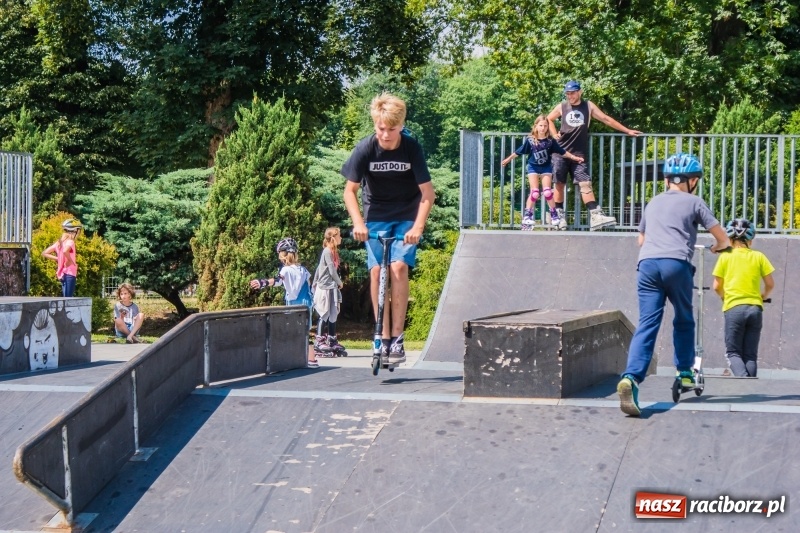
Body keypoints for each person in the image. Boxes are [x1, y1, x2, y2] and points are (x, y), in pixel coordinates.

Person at [617, 153, 730, 417]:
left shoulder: (653, 202)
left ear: (667, 179)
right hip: (675, 264)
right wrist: (718, 247)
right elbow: (722, 238)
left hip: (646, 265)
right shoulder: (694, 201)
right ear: (691, 181)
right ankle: (686, 372)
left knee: (647, 323)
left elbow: (641, 240)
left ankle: (631, 378)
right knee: (683, 318)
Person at [342, 92, 435, 364]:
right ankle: (380, 336)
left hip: (407, 214)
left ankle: (397, 338)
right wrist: (358, 223)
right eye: (381, 129)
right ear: (375, 125)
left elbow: (428, 194)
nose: (385, 135)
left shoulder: (411, 148)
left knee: (397, 267)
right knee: (376, 270)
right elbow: (350, 191)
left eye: (391, 129)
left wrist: (418, 227)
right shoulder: (365, 149)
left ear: (401, 126)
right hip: (376, 215)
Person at [547, 80, 643, 230]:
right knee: (559, 184)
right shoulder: (562, 106)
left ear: (580, 92)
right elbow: (548, 119)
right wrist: (554, 134)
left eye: (572, 93)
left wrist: (627, 130)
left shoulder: (588, 106)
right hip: (560, 152)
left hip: (578, 154)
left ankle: (596, 215)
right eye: (567, 94)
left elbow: (605, 119)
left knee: (585, 183)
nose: (570, 96)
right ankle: (558, 216)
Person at [712, 219, 775, 377]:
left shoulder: (725, 256)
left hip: (734, 308)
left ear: (730, 239)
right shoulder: (759, 256)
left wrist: (724, 297)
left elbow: (716, 286)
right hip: (755, 309)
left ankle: (744, 382)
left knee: (733, 353)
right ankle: (751, 391)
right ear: (750, 240)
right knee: (750, 355)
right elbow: (770, 284)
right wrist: (762, 296)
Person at [501, 115, 584, 229]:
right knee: (535, 192)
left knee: (547, 192)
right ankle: (528, 216)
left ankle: (554, 214)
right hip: (533, 168)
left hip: (546, 168)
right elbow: (518, 151)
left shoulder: (550, 141)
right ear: (536, 126)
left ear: (548, 127)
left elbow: (562, 152)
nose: (543, 128)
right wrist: (508, 159)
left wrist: (574, 158)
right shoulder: (530, 141)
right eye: (540, 125)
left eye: (545, 126)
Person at [249, 238, 318, 368]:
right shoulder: (303, 270)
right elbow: (311, 287)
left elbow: (277, 281)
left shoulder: (285, 270)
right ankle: (312, 359)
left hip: (293, 304)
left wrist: (261, 283)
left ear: (282, 255)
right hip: (306, 304)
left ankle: (288, 358)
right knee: (304, 332)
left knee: (288, 331)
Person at [312, 227, 345, 356]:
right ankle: (319, 341)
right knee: (324, 313)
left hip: (332, 287)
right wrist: (340, 282)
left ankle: (331, 339)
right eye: (339, 236)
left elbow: (320, 268)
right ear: (333, 238)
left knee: (333, 313)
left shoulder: (333, 252)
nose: (341, 238)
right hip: (325, 287)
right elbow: (330, 271)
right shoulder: (327, 251)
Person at [42, 218, 82, 297]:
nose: (78, 234)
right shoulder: (70, 242)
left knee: (66, 298)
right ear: (74, 231)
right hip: (70, 273)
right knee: (68, 299)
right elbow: (65, 251)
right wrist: (70, 261)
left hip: (63, 274)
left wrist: (59, 259)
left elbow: (44, 253)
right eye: (78, 231)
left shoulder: (59, 243)